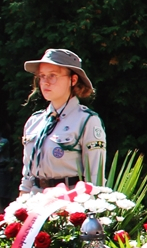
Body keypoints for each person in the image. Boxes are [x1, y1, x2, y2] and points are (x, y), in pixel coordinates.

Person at [19, 48, 106, 195]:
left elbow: (95, 179)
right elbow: (27, 176)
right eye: (42, 76)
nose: (45, 82)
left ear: (73, 80)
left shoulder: (87, 121)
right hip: (35, 204)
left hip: (68, 206)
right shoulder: (34, 122)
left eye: (52, 75)